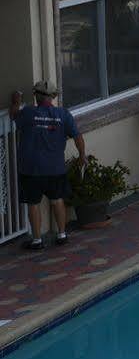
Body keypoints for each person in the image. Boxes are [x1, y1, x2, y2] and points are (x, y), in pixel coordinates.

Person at [8, 81, 83, 251]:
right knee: (57, 200)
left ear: (36, 96)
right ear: (53, 97)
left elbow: (13, 115)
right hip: (55, 168)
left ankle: (36, 240)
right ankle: (62, 235)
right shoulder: (63, 114)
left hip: (31, 169)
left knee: (33, 204)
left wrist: (16, 101)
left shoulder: (28, 113)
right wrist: (82, 156)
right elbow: (77, 136)